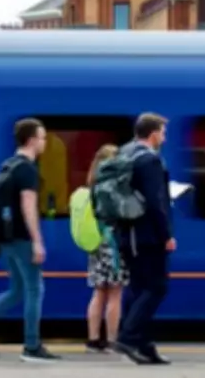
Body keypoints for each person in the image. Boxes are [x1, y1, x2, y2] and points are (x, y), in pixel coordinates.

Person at [0, 118, 60, 362]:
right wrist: (37, 241)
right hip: (21, 237)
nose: (44, 143)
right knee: (34, 289)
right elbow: (28, 206)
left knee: (17, 290)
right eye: (42, 138)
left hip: (6, 239)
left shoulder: (8, 165)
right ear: (31, 140)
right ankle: (32, 346)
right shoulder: (27, 169)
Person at [114, 113, 175, 365]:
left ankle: (143, 346)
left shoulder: (125, 153)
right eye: (162, 132)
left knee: (139, 288)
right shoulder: (149, 160)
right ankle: (128, 337)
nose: (164, 137)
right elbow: (155, 201)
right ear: (153, 134)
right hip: (146, 236)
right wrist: (166, 234)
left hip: (127, 234)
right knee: (156, 287)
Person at [74, 144, 128, 353]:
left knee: (98, 292)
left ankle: (93, 339)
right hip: (113, 244)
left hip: (96, 245)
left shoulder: (91, 187)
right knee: (115, 293)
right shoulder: (112, 188)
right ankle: (113, 340)